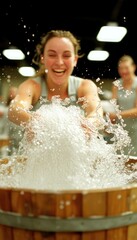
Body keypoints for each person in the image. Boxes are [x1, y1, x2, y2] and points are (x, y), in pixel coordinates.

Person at [8, 30, 103, 140]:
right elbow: (14, 110)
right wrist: (33, 121)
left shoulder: (85, 86)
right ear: (43, 58)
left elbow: (97, 114)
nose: (59, 62)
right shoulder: (32, 86)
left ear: (75, 60)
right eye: (52, 55)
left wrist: (88, 124)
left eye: (66, 55)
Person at [109, 55, 137, 156]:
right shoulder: (116, 84)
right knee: (120, 159)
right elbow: (113, 105)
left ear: (133, 67)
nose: (123, 71)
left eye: (126, 68)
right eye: (121, 68)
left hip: (135, 129)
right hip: (120, 130)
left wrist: (117, 115)